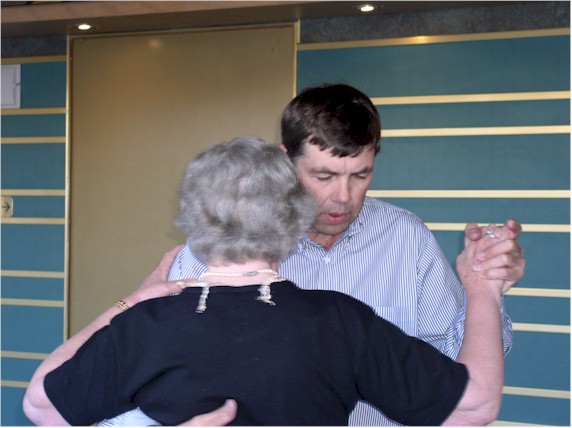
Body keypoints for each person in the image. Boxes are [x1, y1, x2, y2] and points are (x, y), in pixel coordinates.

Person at [24, 138, 506, 426]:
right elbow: (474, 408)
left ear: (193, 218)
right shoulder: (339, 321)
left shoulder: (143, 326)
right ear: (295, 218)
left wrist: (129, 301)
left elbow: (43, 406)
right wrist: (482, 287)